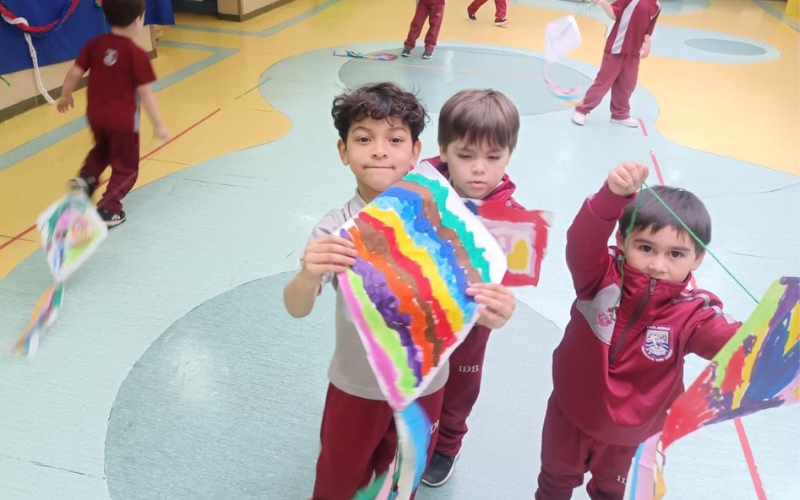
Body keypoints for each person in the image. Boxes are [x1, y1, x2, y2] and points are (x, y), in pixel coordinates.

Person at [535, 162, 741, 500]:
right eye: (646, 248)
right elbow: (581, 242)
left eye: (676, 254)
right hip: (570, 413)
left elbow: (737, 344)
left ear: (698, 258)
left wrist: (778, 334)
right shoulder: (598, 278)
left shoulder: (696, 313)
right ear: (622, 239)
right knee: (554, 483)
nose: (658, 265)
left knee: (612, 495)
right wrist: (611, 197)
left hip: (634, 437)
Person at [418, 88, 521, 487]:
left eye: (493, 157)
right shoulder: (419, 189)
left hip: (470, 328)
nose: (479, 169)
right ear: (443, 150)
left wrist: (499, 309)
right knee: (414, 377)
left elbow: (506, 280)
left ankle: (447, 444)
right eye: (466, 155)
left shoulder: (511, 217)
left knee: (459, 388)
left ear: (508, 155)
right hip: (420, 318)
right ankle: (407, 435)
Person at [57, 0, 169, 227]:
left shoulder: (95, 44)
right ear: (139, 20)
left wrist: (65, 95)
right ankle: (109, 209)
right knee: (126, 167)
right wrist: (158, 123)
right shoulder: (136, 54)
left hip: (96, 116)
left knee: (102, 150)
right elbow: (145, 94)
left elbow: (75, 72)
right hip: (124, 122)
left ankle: (86, 179)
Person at [572, 0, 661, 128]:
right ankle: (582, 109)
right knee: (603, 82)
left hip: (634, 53)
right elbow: (614, 14)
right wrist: (603, 3)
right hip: (616, 48)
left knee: (627, 84)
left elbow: (649, 28)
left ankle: (620, 114)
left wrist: (648, 43)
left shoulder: (657, 5)